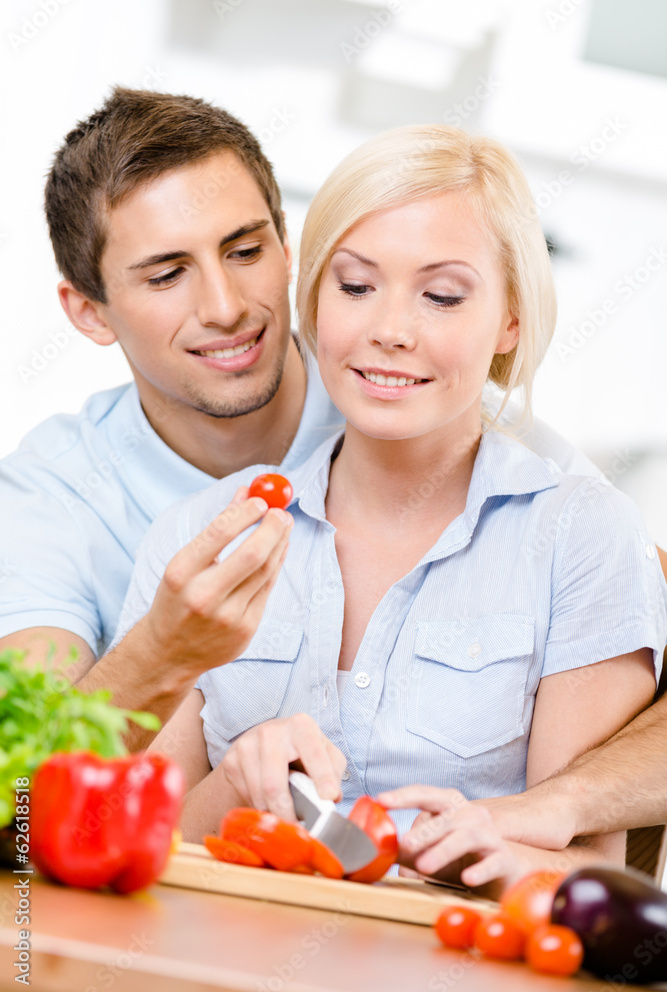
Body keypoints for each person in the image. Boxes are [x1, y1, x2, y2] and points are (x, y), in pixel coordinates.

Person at [115, 124, 666, 891]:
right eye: (354, 285)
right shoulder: (198, 537)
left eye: (441, 296)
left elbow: (587, 877)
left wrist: (491, 860)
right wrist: (237, 787)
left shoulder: (581, 536)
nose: (389, 331)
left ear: (509, 320)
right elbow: (139, 858)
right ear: (311, 299)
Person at [0, 87, 612, 753]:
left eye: (243, 251)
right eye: (167, 274)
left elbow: (620, 610)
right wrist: (161, 651)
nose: (226, 307)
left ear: (289, 249)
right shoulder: (49, 498)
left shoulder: (423, 406)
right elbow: (19, 784)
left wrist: (554, 807)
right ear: (88, 312)